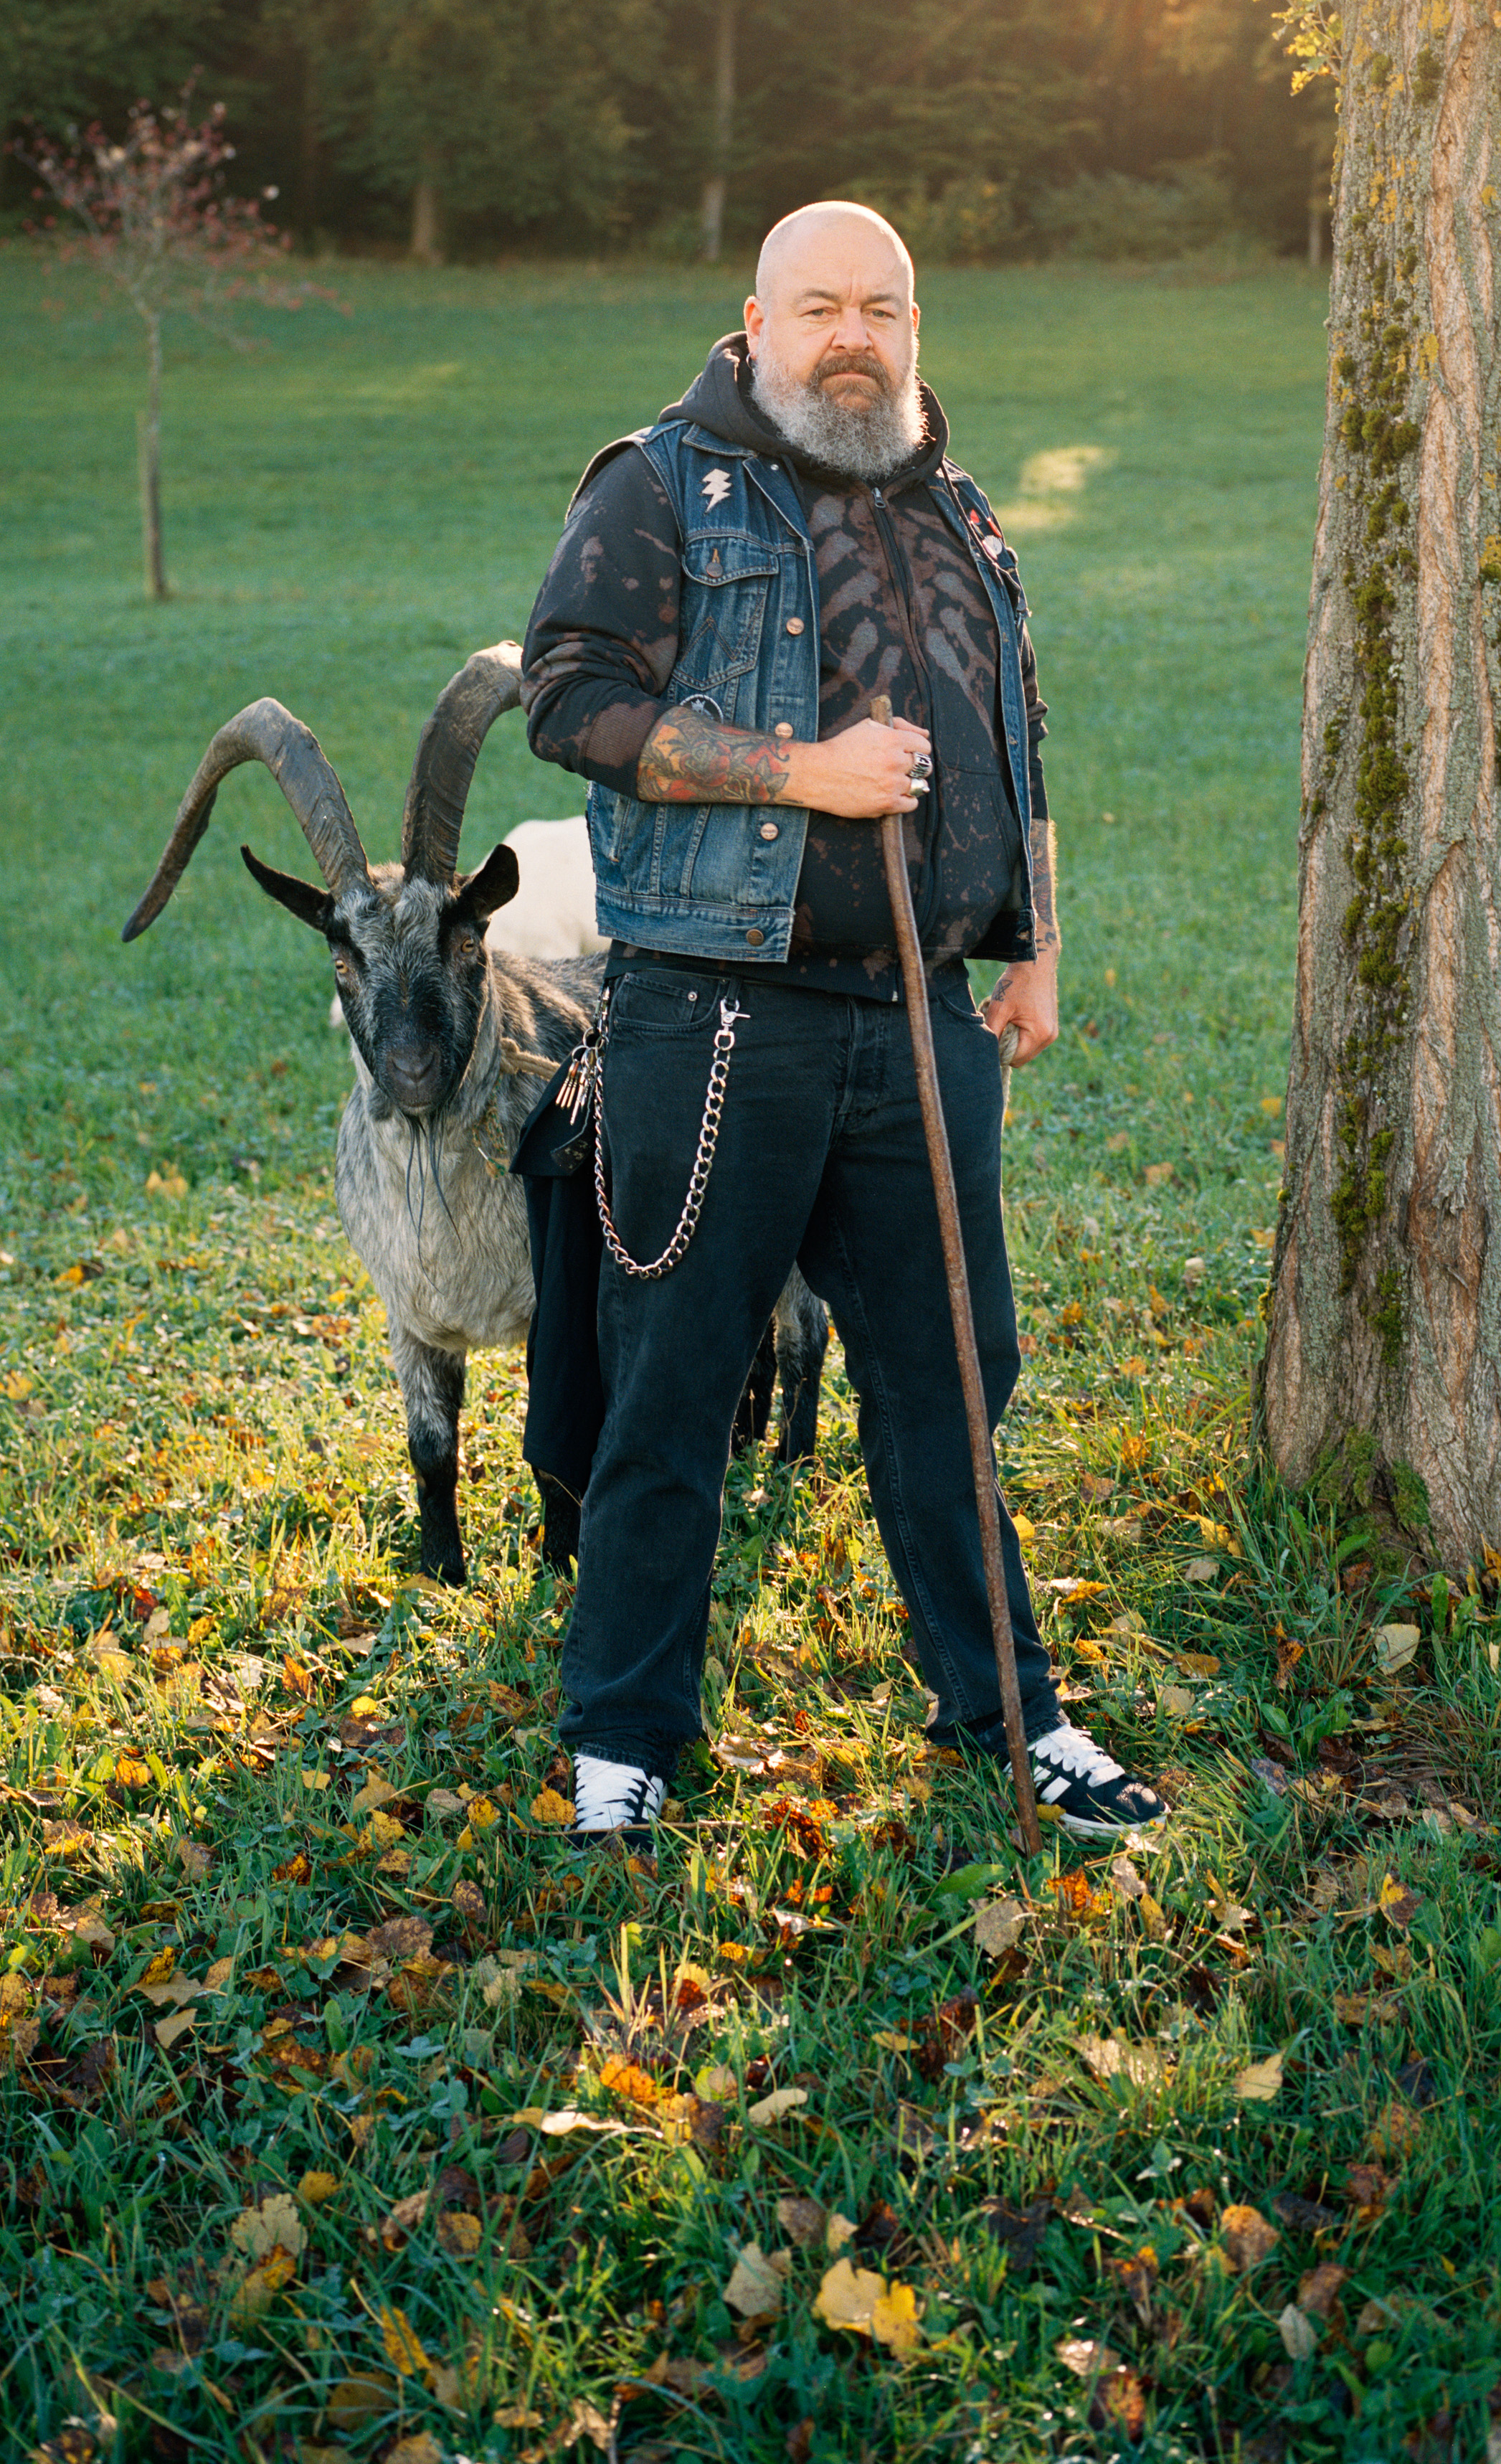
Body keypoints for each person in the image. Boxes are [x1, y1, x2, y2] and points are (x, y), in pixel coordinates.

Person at [519, 199, 1165, 1844]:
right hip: (714, 1021)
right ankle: (622, 1746)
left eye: (882, 305)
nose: (853, 335)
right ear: (753, 317)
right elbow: (567, 693)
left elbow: (1008, 722)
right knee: (671, 1382)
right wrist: (797, 771)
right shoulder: (658, 482)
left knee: (955, 1372)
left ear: (916, 323)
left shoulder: (951, 500)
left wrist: (1031, 940)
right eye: (820, 305)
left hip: (921, 1019)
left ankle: (1008, 1710)